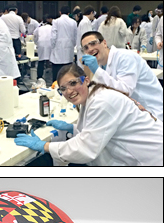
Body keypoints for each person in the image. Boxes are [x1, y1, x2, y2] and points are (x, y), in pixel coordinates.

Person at [14, 63, 163, 166]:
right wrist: (73, 128)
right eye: (63, 89)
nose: (69, 91)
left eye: (73, 83)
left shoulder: (102, 102)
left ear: (86, 80)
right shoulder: (93, 96)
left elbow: (85, 149)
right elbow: (96, 130)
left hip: (151, 159)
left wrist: (45, 146)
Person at [80, 31, 163, 121]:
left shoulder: (125, 57)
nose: (90, 49)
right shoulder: (100, 66)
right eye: (86, 48)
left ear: (104, 43)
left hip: (153, 112)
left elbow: (125, 91)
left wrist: (97, 70)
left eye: (93, 43)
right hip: (132, 113)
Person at [50, 6, 77, 82]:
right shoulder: (73, 22)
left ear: (60, 12)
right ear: (69, 13)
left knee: (57, 75)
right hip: (69, 52)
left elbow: (53, 37)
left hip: (58, 52)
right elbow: (75, 37)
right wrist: (72, 45)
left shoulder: (56, 21)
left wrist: (53, 47)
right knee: (67, 74)